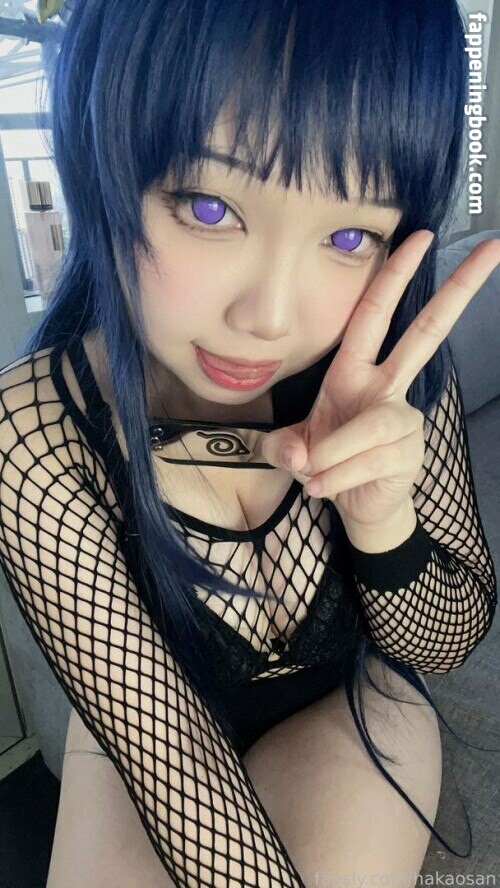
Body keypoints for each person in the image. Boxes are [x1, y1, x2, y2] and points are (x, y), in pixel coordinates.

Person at [0, 0, 498, 885]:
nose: (268, 317)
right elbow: (170, 757)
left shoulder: (387, 360)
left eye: (348, 236)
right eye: (209, 206)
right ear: (106, 161)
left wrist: (380, 521)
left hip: (350, 706)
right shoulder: (36, 427)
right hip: (143, 741)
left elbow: (441, 643)